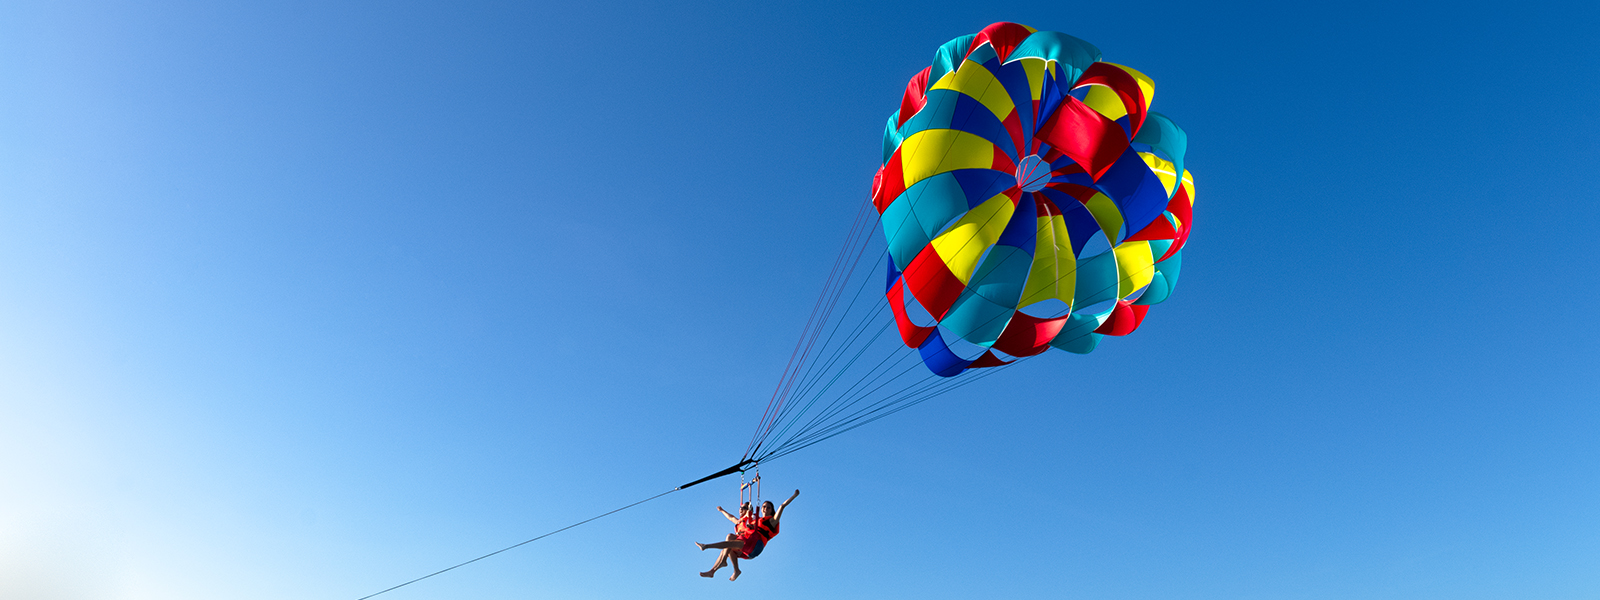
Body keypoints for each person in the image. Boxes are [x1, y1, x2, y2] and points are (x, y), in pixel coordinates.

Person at [697, 489, 799, 581]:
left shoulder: (772, 521)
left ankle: (707, 546)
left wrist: (794, 495)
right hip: (749, 544)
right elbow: (732, 518)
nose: (765, 508)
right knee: (729, 541)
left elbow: (782, 506)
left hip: (756, 545)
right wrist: (722, 511)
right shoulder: (756, 521)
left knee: (729, 542)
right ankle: (717, 571)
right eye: (764, 506)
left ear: (772, 510)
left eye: (768, 507)